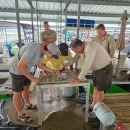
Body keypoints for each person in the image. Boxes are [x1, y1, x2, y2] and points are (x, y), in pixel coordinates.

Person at [63, 39, 113, 118]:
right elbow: (74, 58)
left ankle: (97, 110)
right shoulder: (81, 49)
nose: (76, 53)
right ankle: (93, 105)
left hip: (104, 68)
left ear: (79, 48)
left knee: (100, 90)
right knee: (96, 88)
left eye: (75, 50)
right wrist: (65, 66)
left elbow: (87, 64)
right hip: (96, 69)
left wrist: (78, 78)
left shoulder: (90, 47)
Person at [9, 42, 58, 123]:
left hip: (26, 70)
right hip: (16, 70)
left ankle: (28, 105)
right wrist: (31, 77)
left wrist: (52, 70)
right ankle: (20, 114)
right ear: (48, 51)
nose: (52, 57)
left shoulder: (42, 51)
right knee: (18, 93)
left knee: (25, 88)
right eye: (52, 55)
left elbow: (40, 65)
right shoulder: (33, 49)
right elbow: (19, 66)